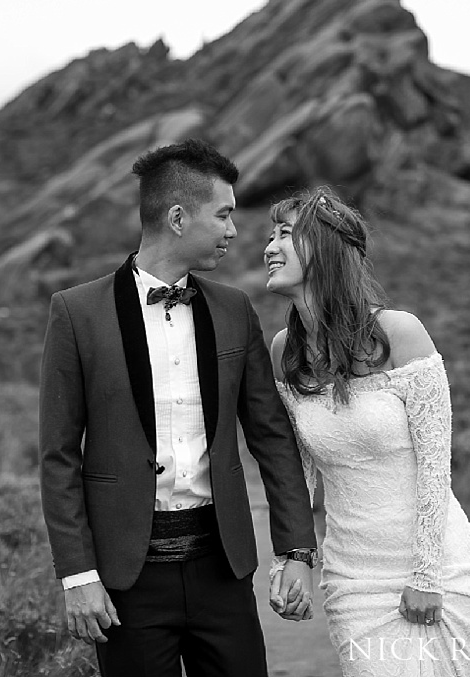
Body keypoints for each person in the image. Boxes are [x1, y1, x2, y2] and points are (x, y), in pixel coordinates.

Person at [38, 139, 318, 676]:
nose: (235, 230)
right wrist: (78, 576)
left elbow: (272, 437)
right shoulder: (76, 313)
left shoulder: (234, 310)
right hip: (127, 583)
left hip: (223, 571)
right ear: (178, 217)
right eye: (224, 214)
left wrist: (297, 551)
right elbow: (58, 456)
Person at [263, 186, 470, 677]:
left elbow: (435, 465)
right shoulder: (285, 352)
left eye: (285, 234)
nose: (269, 247)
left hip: (435, 571)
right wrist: (292, 559)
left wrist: (426, 575)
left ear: (323, 249)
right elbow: (295, 471)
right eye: (271, 235)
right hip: (353, 579)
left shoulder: (401, 334)